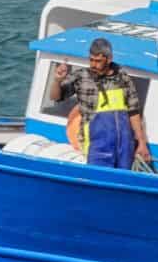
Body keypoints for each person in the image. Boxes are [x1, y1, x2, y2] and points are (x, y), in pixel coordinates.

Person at [65, 38, 153, 170]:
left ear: (109, 59)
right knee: (97, 178)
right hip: (96, 148)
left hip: (124, 148)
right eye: (91, 60)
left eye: (98, 61)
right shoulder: (81, 78)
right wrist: (57, 79)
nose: (94, 65)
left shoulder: (123, 78)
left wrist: (141, 142)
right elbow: (56, 95)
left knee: (123, 180)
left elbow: (133, 112)